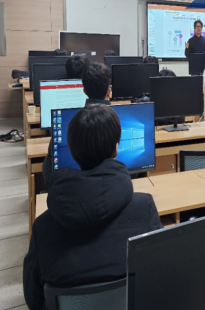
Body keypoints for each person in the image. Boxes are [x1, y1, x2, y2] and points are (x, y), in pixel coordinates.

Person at [24, 105, 162, 310]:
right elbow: (160, 275)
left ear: (73, 151)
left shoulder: (43, 227)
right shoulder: (145, 209)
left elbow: (33, 300)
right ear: (116, 149)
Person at [42, 62, 112, 185]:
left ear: (84, 90)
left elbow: (49, 173)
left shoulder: (68, 124)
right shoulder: (118, 120)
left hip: (73, 188)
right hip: (114, 185)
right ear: (109, 92)